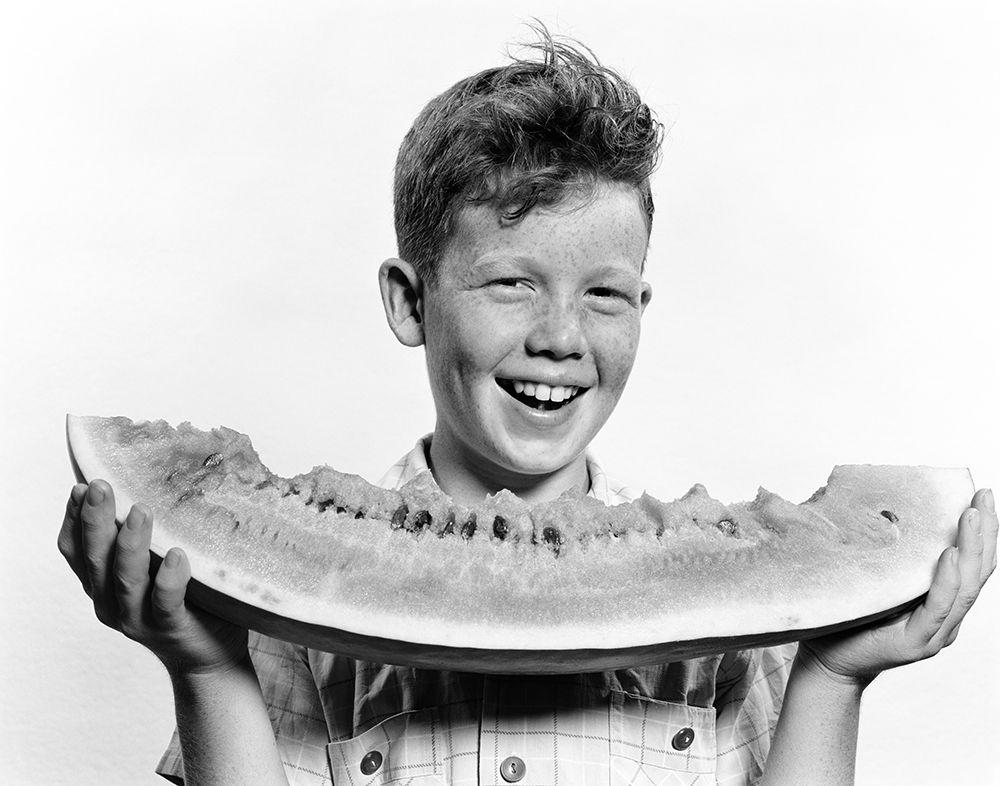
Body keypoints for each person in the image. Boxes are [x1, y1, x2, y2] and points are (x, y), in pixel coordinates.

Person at [58, 30, 996, 786]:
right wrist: (209, 667)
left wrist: (834, 676)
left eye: (606, 294)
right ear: (408, 300)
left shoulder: (735, 643)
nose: (562, 336)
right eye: (511, 281)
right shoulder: (273, 627)